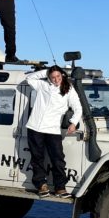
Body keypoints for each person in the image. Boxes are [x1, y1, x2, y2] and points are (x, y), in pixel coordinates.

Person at [24, 65, 82, 197]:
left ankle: (60, 187)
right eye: (53, 77)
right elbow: (29, 79)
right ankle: (41, 185)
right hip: (35, 127)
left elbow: (78, 107)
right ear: (49, 78)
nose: (56, 80)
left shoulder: (68, 89)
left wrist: (73, 122)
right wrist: (46, 71)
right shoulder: (42, 85)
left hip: (53, 129)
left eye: (58, 76)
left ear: (62, 75)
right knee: (37, 158)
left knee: (58, 158)